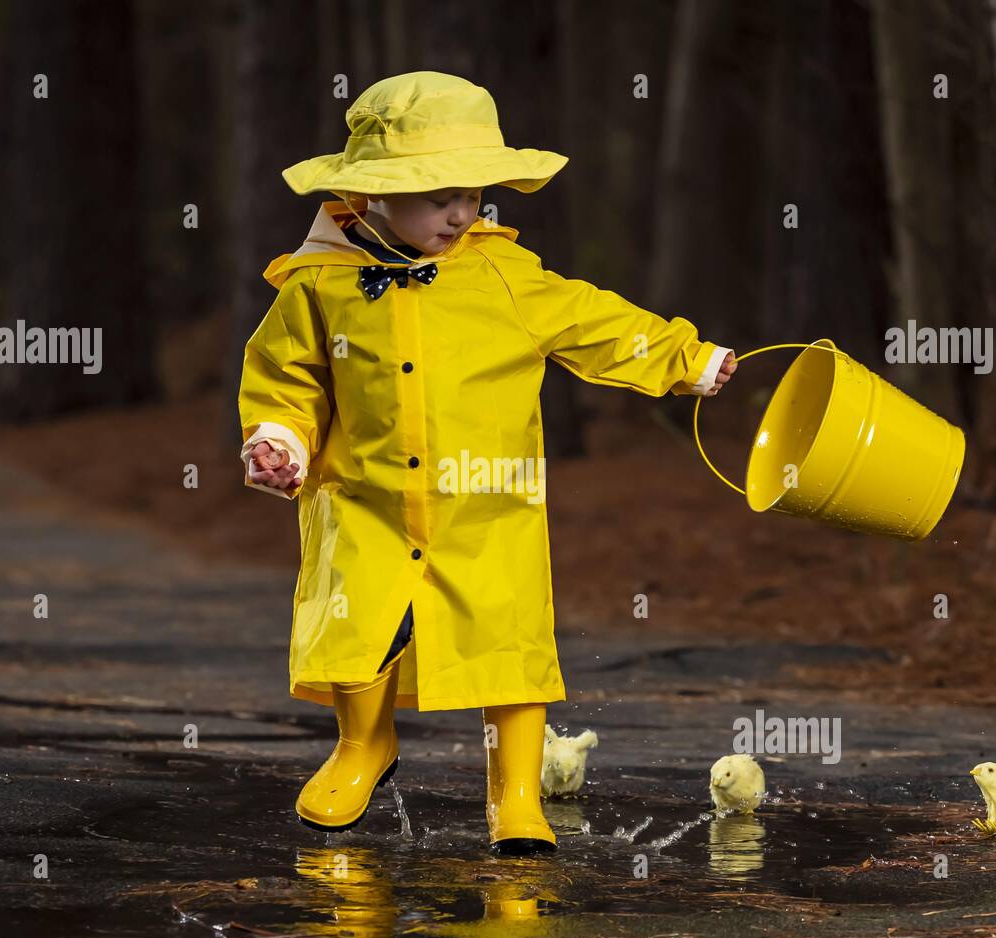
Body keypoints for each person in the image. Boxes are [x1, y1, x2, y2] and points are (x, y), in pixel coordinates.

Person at [238, 71, 737, 855]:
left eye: (471, 193)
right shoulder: (318, 287)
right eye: (439, 196)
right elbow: (286, 374)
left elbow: (592, 320)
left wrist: (686, 358)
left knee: (507, 650)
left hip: (489, 506)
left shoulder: (503, 274)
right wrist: (280, 439)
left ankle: (514, 801)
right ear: (371, 195)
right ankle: (363, 745)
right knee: (358, 626)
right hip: (363, 499)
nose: (462, 212)